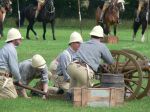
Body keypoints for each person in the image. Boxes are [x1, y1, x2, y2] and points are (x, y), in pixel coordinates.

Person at [67, 25, 113, 91]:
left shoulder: (83, 44)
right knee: (86, 92)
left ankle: (70, 94)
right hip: (83, 71)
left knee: (73, 86)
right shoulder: (102, 46)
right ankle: (76, 96)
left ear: (91, 35)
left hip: (71, 67)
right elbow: (110, 61)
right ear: (101, 37)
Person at [0, 28, 23, 99]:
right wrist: (18, 80)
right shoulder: (11, 49)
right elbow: (14, 69)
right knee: (12, 97)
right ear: (14, 39)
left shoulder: (6, 47)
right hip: (2, 77)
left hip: (3, 76)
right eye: (19, 38)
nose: (21, 40)